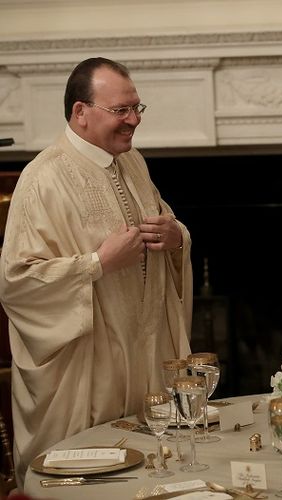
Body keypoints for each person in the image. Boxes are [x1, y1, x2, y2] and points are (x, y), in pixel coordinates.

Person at [0, 57, 192, 485]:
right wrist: (97, 264)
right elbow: (16, 283)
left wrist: (175, 237)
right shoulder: (42, 179)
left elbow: (166, 223)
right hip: (85, 375)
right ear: (80, 113)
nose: (133, 121)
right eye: (120, 111)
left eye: (137, 108)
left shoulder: (133, 162)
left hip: (145, 358)